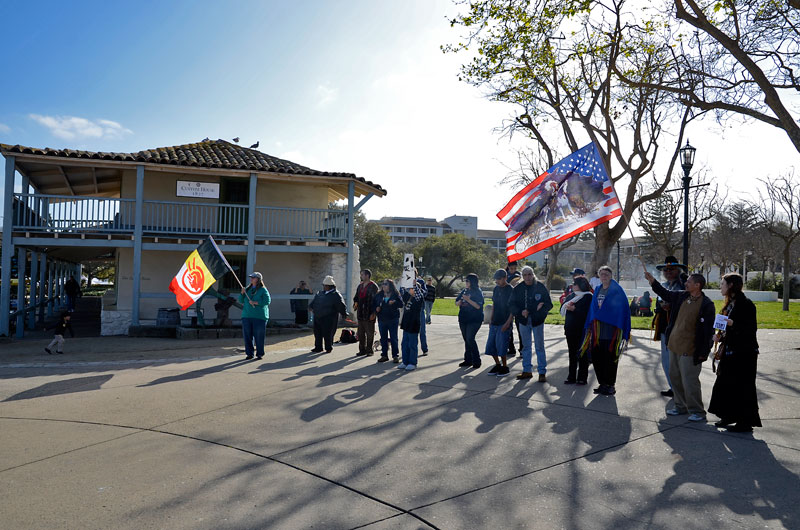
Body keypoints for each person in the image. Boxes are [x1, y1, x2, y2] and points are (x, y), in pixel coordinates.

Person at [645, 270, 715, 421]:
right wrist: (652, 281)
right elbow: (665, 293)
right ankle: (680, 406)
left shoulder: (707, 304)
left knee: (689, 380)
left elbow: (708, 331)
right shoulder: (682, 295)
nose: (685, 283)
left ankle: (697, 411)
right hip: (674, 345)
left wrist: (704, 351)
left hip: (690, 349)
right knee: (675, 377)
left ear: (697, 285)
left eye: (689, 282)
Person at [708, 273, 762, 433]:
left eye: (723, 283)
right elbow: (726, 327)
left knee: (743, 387)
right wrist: (719, 335)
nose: (720, 286)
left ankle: (745, 422)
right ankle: (728, 415)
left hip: (744, 353)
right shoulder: (730, 304)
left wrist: (733, 323)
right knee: (725, 384)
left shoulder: (746, 304)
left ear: (731, 285)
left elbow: (750, 329)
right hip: (730, 351)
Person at [581, 266, 631, 395]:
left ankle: (610, 385)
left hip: (611, 332)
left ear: (611, 275)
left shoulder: (617, 290)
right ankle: (602, 383)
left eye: (607, 274)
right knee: (597, 358)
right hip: (597, 331)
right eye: (602, 274)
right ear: (599, 276)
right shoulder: (597, 289)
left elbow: (622, 309)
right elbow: (593, 309)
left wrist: (604, 314)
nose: (604, 276)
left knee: (610, 359)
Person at [652, 256, 687, 398]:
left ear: (678, 270)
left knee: (678, 362)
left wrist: (671, 306)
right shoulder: (664, 285)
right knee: (666, 361)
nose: (668, 272)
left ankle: (681, 388)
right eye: (665, 270)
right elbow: (657, 304)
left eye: (671, 269)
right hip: (665, 328)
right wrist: (660, 308)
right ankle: (673, 387)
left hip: (678, 328)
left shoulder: (684, 285)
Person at [509, 266, 553, 381]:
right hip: (523, 321)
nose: (527, 277)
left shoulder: (540, 287)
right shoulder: (518, 288)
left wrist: (539, 312)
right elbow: (511, 304)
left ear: (533, 274)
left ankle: (542, 372)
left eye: (529, 274)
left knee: (539, 346)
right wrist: (519, 312)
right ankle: (527, 370)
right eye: (525, 275)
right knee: (526, 347)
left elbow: (548, 304)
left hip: (537, 321)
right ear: (522, 276)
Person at [561, 276, 593, 385]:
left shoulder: (588, 297)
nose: (572, 285)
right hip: (570, 329)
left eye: (575, 284)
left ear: (581, 285)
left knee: (582, 354)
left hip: (582, 330)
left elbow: (587, 313)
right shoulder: (571, 296)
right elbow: (563, 305)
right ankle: (571, 377)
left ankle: (582, 378)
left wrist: (574, 309)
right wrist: (567, 306)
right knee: (572, 353)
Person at [485, 269, 513, 376]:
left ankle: (505, 367)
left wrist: (508, 323)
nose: (497, 281)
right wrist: (491, 319)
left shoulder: (510, 289)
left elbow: (513, 309)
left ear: (505, 278)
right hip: (495, 321)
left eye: (499, 279)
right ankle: (497, 365)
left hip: (504, 321)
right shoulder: (496, 289)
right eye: (496, 279)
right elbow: (494, 304)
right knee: (491, 346)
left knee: (501, 346)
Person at [309, 275, 347, 353]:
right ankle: (318, 347)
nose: (324, 287)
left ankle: (328, 347)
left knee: (328, 333)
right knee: (317, 333)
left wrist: (344, 314)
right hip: (318, 316)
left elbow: (341, 305)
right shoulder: (320, 293)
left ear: (330, 286)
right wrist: (311, 307)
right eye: (324, 285)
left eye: (326, 285)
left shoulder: (336, 295)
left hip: (329, 318)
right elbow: (314, 302)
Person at [239, 272, 271, 360]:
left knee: (259, 336)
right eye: (251, 277)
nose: (251, 279)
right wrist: (242, 293)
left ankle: (260, 353)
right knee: (247, 335)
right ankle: (249, 353)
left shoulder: (263, 290)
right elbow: (240, 300)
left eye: (253, 277)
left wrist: (256, 303)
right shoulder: (247, 289)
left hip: (259, 317)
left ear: (258, 279)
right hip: (247, 315)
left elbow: (267, 301)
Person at [456, 273, 484, 369]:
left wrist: (468, 300)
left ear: (472, 282)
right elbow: (456, 302)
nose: (466, 282)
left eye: (467, 281)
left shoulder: (478, 292)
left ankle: (477, 360)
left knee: (470, 338)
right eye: (465, 280)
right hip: (463, 318)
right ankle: (468, 360)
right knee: (466, 339)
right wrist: (458, 302)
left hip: (475, 319)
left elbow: (478, 306)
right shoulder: (464, 290)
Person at [398, 278, 426, 371]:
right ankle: (405, 361)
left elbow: (418, 294)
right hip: (406, 323)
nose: (409, 290)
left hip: (414, 324)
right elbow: (402, 293)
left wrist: (414, 285)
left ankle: (412, 362)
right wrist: (404, 283)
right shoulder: (408, 297)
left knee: (412, 344)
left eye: (411, 289)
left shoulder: (418, 298)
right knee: (404, 344)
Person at [374, 279, 402, 363]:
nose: (383, 285)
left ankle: (395, 355)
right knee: (383, 338)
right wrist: (376, 309)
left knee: (393, 338)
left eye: (385, 284)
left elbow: (401, 304)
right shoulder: (379, 294)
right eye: (382, 284)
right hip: (382, 319)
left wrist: (394, 302)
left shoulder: (395, 294)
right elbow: (374, 304)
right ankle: (384, 355)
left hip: (393, 318)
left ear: (390, 285)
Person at [353, 269, 379, 357]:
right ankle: (362, 350)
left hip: (369, 313)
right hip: (360, 313)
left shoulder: (373, 286)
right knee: (360, 333)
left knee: (370, 333)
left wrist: (374, 313)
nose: (361, 276)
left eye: (362, 275)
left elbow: (376, 300)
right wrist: (355, 304)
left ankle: (369, 350)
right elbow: (356, 297)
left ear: (367, 275)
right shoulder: (360, 286)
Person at [505, 260, 522, 356]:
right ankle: (511, 348)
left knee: (520, 328)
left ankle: (522, 349)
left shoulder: (519, 276)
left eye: (515, 268)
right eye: (511, 268)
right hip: (508, 305)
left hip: (518, 305)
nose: (513, 270)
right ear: (508, 267)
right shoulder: (505, 276)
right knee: (508, 328)